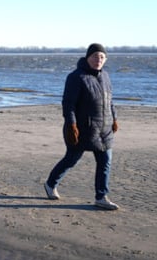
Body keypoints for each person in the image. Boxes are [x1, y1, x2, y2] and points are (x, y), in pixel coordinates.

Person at [44, 43, 120, 210]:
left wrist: (114, 118)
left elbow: (110, 101)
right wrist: (71, 124)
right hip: (83, 128)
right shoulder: (76, 77)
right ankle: (50, 184)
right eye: (95, 56)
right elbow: (68, 103)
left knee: (105, 161)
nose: (98, 60)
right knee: (71, 159)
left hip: (105, 128)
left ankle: (101, 197)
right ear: (87, 58)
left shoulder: (106, 76)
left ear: (105, 59)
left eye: (101, 57)